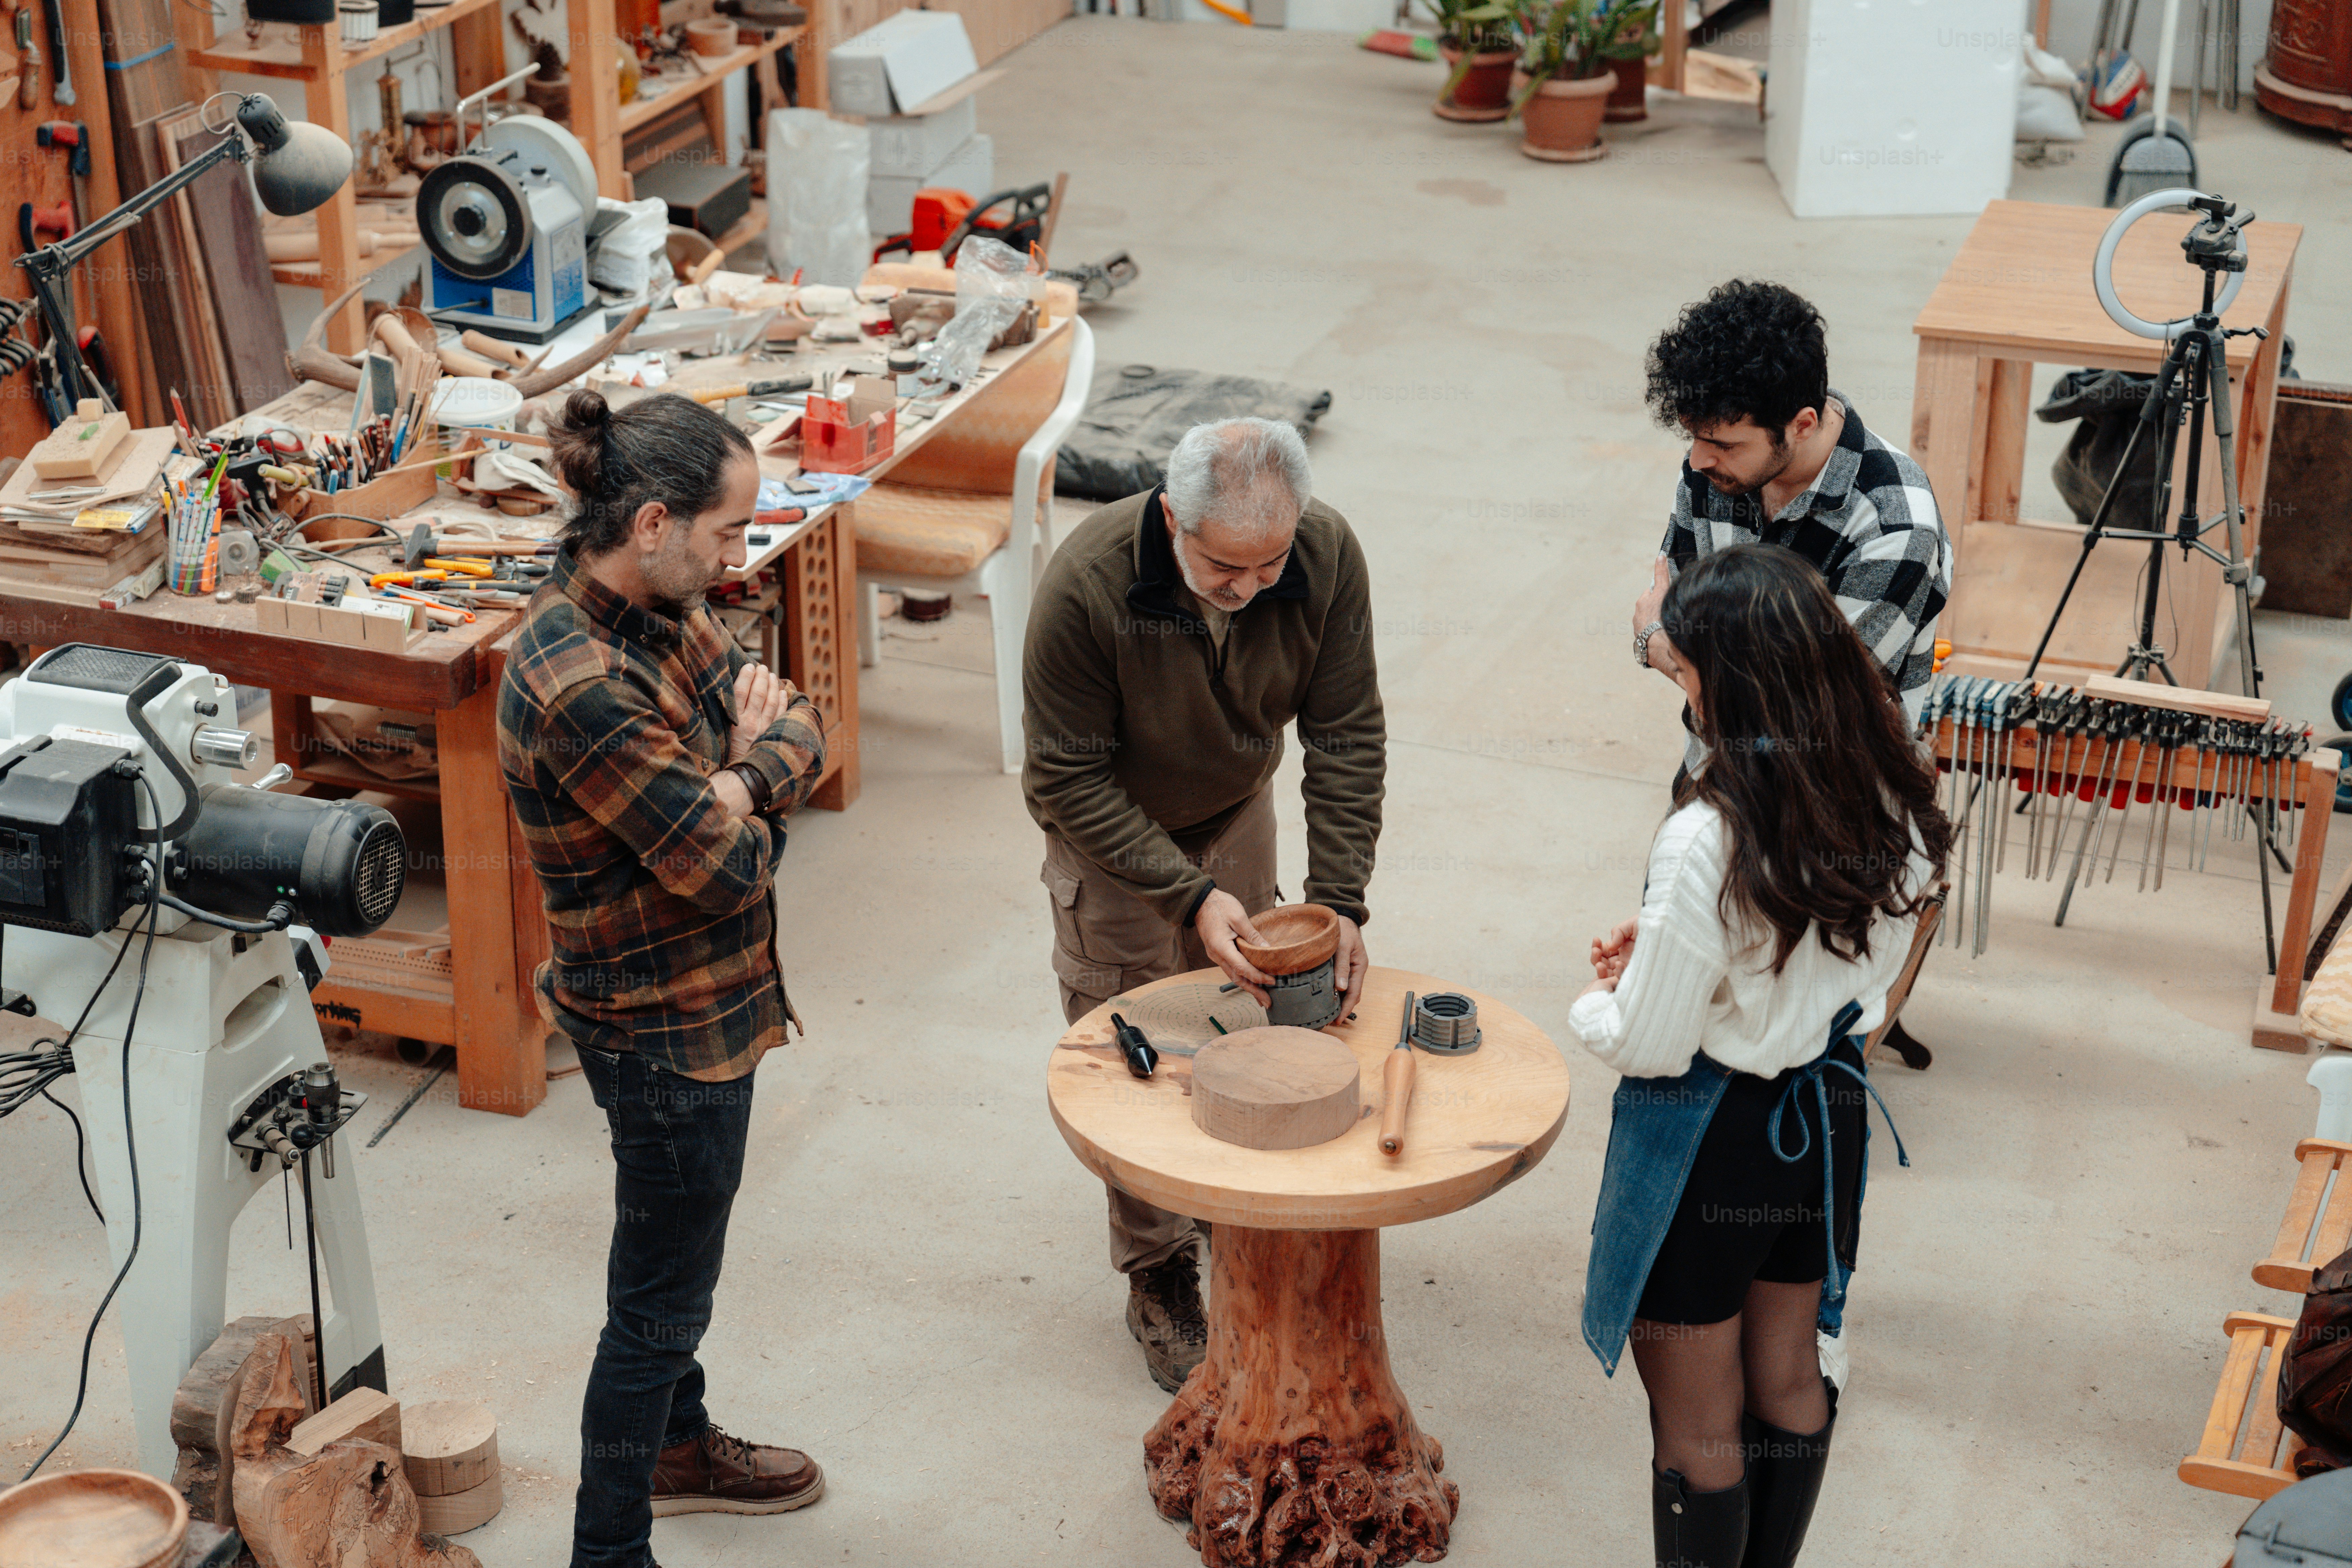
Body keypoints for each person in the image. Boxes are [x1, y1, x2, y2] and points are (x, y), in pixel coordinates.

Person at [499, 390, 830, 1568]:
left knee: (674, 1254)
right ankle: (608, 1549)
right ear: (649, 521)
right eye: (726, 533)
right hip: (661, 1033)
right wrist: (740, 781)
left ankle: (679, 1448)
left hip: (707, 1004)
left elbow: (796, 720)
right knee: (655, 1309)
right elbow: (723, 867)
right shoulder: (579, 680)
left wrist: (740, 774)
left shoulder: (662, 607)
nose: (737, 562)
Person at [1573, 544, 1950, 1568]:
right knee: (1788, 1375)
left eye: (1689, 672)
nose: (1682, 690)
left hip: (1714, 1136)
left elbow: (1653, 1046)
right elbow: (1838, 967)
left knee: (1697, 1423)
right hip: (1823, 1117)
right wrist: (1686, 956)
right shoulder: (1882, 780)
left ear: (1734, 681)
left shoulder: (1707, 836)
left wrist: (1604, 1000)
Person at [1023, 416, 1386, 1391]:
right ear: (1172, 516)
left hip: (1236, 803)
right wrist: (1187, 896)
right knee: (1136, 1041)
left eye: (1272, 567)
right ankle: (1157, 1273)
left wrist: (1341, 897)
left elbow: (1347, 731)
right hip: (1111, 826)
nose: (1252, 588)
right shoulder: (1088, 584)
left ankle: (1240, 1220)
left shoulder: (1324, 551)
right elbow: (1065, 776)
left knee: (1242, 1016)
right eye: (1227, 568)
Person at [1630, 280, 1953, 755]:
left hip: (1832, 799)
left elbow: (1805, 706)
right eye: (1693, 437)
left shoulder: (1895, 526)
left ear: (1802, 425)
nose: (1697, 461)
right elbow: (1684, 617)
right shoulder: (1716, 472)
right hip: (1717, 765)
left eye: (1722, 444)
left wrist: (1657, 647)